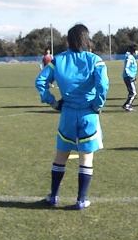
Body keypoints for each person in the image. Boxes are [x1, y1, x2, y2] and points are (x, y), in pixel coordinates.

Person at [35, 24, 109, 210]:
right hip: (88, 114)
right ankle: (80, 200)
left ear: (68, 40)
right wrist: (97, 104)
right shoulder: (95, 60)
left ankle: (53, 196)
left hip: (67, 113)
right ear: (86, 39)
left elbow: (40, 80)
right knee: (86, 157)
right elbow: (103, 86)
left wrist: (52, 101)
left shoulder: (58, 60)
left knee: (61, 155)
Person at [122, 45, 138, 112]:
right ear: (134, 51)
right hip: (129, 77)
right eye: (137, 50)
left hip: (130, 77)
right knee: (133, 93)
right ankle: (127, 105)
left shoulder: (131, 57)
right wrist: (129, 76)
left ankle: (127, 105)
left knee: (132, 92)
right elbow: (127, 67)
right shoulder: (130, 57)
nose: (137, 52)